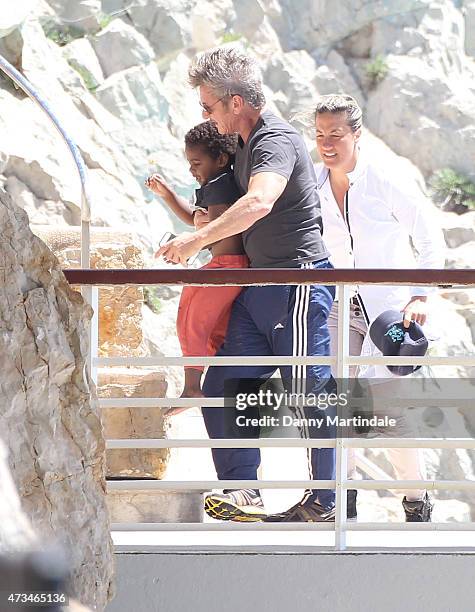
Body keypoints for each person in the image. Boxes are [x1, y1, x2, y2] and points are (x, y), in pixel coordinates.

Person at [156, 47, 337, 523]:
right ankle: (243, 492)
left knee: (308, 390)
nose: (205, 114)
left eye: (208, 105)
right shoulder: (242, 141)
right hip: (258, 288)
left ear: (236, 102)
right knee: (222, 384)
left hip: (294, 282)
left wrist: (195, 240)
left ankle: (327, 501)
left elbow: (259, 201)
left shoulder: (275, 139)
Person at [313, 93, 446, 521]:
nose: (327, 143)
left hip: (388, 311)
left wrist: (421, 295)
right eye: (319, 135)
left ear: (357, 134)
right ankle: (342, 503)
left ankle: (415, 500)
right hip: (338, 306)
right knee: (338, 403)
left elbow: (429, 237)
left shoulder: (385, 180)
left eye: (336, 134)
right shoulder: (313, 183)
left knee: (388, 409)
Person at [146, 121, 248, 407]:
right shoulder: (216, 185)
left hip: (229, 266)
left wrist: (193, 238)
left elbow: (215, 226)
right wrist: (167, 195)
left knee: (190, 315)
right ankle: (204, 379)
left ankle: (193, 386)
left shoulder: (221, 186)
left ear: (221, 159)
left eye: (196, 163)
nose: (192, 170)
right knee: (211, 325)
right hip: (231, 266)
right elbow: (195, 217)